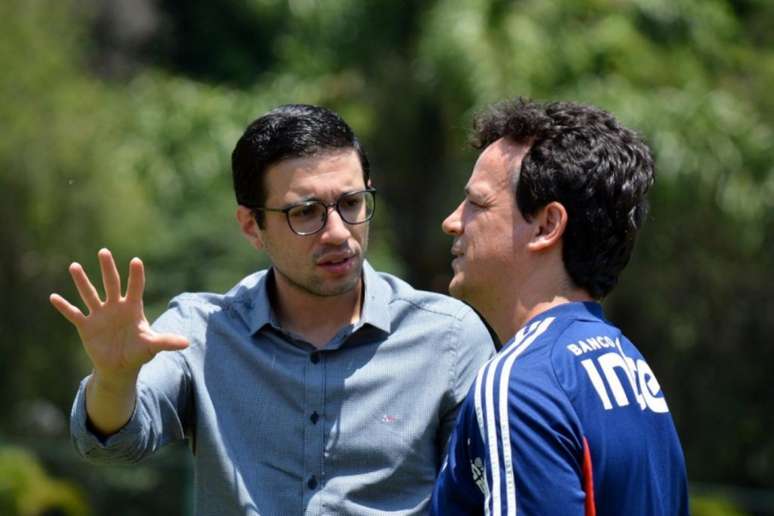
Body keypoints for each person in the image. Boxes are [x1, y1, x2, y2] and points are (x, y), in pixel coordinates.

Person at [50, 104, 495, 515]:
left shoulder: (449, 339)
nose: (338, 232)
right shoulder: (201, 333)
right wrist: (113, 379)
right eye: (306, 212)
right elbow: (111, 445)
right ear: (252, 226)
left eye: (351, 203)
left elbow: (485, 497)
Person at [431, 98, 689, 515]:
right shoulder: (631, 368)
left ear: (547, 226)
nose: (453, 221)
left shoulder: (519, 382)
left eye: (477, 204)